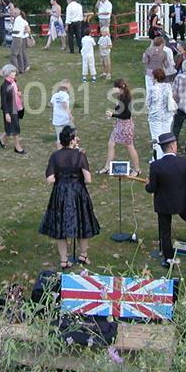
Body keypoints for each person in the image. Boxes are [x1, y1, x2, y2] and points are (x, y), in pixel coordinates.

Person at [39, 126, 99, 269]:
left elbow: (50, 179)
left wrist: (62, 177)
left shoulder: (55, 156)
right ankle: (83, 255)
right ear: (72, 141)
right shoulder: (80, 156)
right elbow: (88, 179)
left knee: (61, 226)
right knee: (82, 223)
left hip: (60, 193)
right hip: (78, 192)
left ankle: (64, 260)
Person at [145, 133, 186, 268]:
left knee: (165, 230)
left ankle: (168, 258)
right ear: (173, 146)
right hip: (183, 200)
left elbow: (152, 188)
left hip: (164, 202)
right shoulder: (183, 161)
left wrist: (147, 184)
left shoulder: (156, 166)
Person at [99, 78, 141, 176]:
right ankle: (107, 167)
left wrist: (113, 115)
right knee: (111, 143)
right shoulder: (121, 96)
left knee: (129, 146)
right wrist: (114, 111)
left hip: (126, 126)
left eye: (114, 87)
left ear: (119, 88)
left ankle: (137, 169)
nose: (113, 89)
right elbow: (119, 108)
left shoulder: (126, 99)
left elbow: (126, 115)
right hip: (120, 124)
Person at [0, 64, 25, 154]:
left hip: (17, 107)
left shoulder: (14, 81)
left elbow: (16, 90)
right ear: (7, 73)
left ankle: (2, 137)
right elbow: (4, 101)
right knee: (15, 128)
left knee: (12, 126)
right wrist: (6, 113)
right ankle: (17, 146)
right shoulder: (4, 86)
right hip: (10, 110)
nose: (15, 73)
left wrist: (19, 93)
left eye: (14, 71)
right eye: (12, 72)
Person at [50, 80, 73, 149]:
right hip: (65, 119)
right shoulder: (66, 95)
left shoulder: (55, 95)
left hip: (57, 120)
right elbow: (64, 103)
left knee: (58, 138)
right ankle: (69, 147)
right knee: (71, 132)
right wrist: (70, 114)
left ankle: (59, 153)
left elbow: (51, 104)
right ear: (68, 88)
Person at [9, 8, 30, 74]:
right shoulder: (20, 19)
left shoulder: (18, 20)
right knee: (19, 55)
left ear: (17, 13)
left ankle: (16, 70)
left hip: (17, 38)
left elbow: (27, 30)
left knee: (13, 55)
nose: (12, 13)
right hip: (19, 38)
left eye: (14, 12)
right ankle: (21, 69)